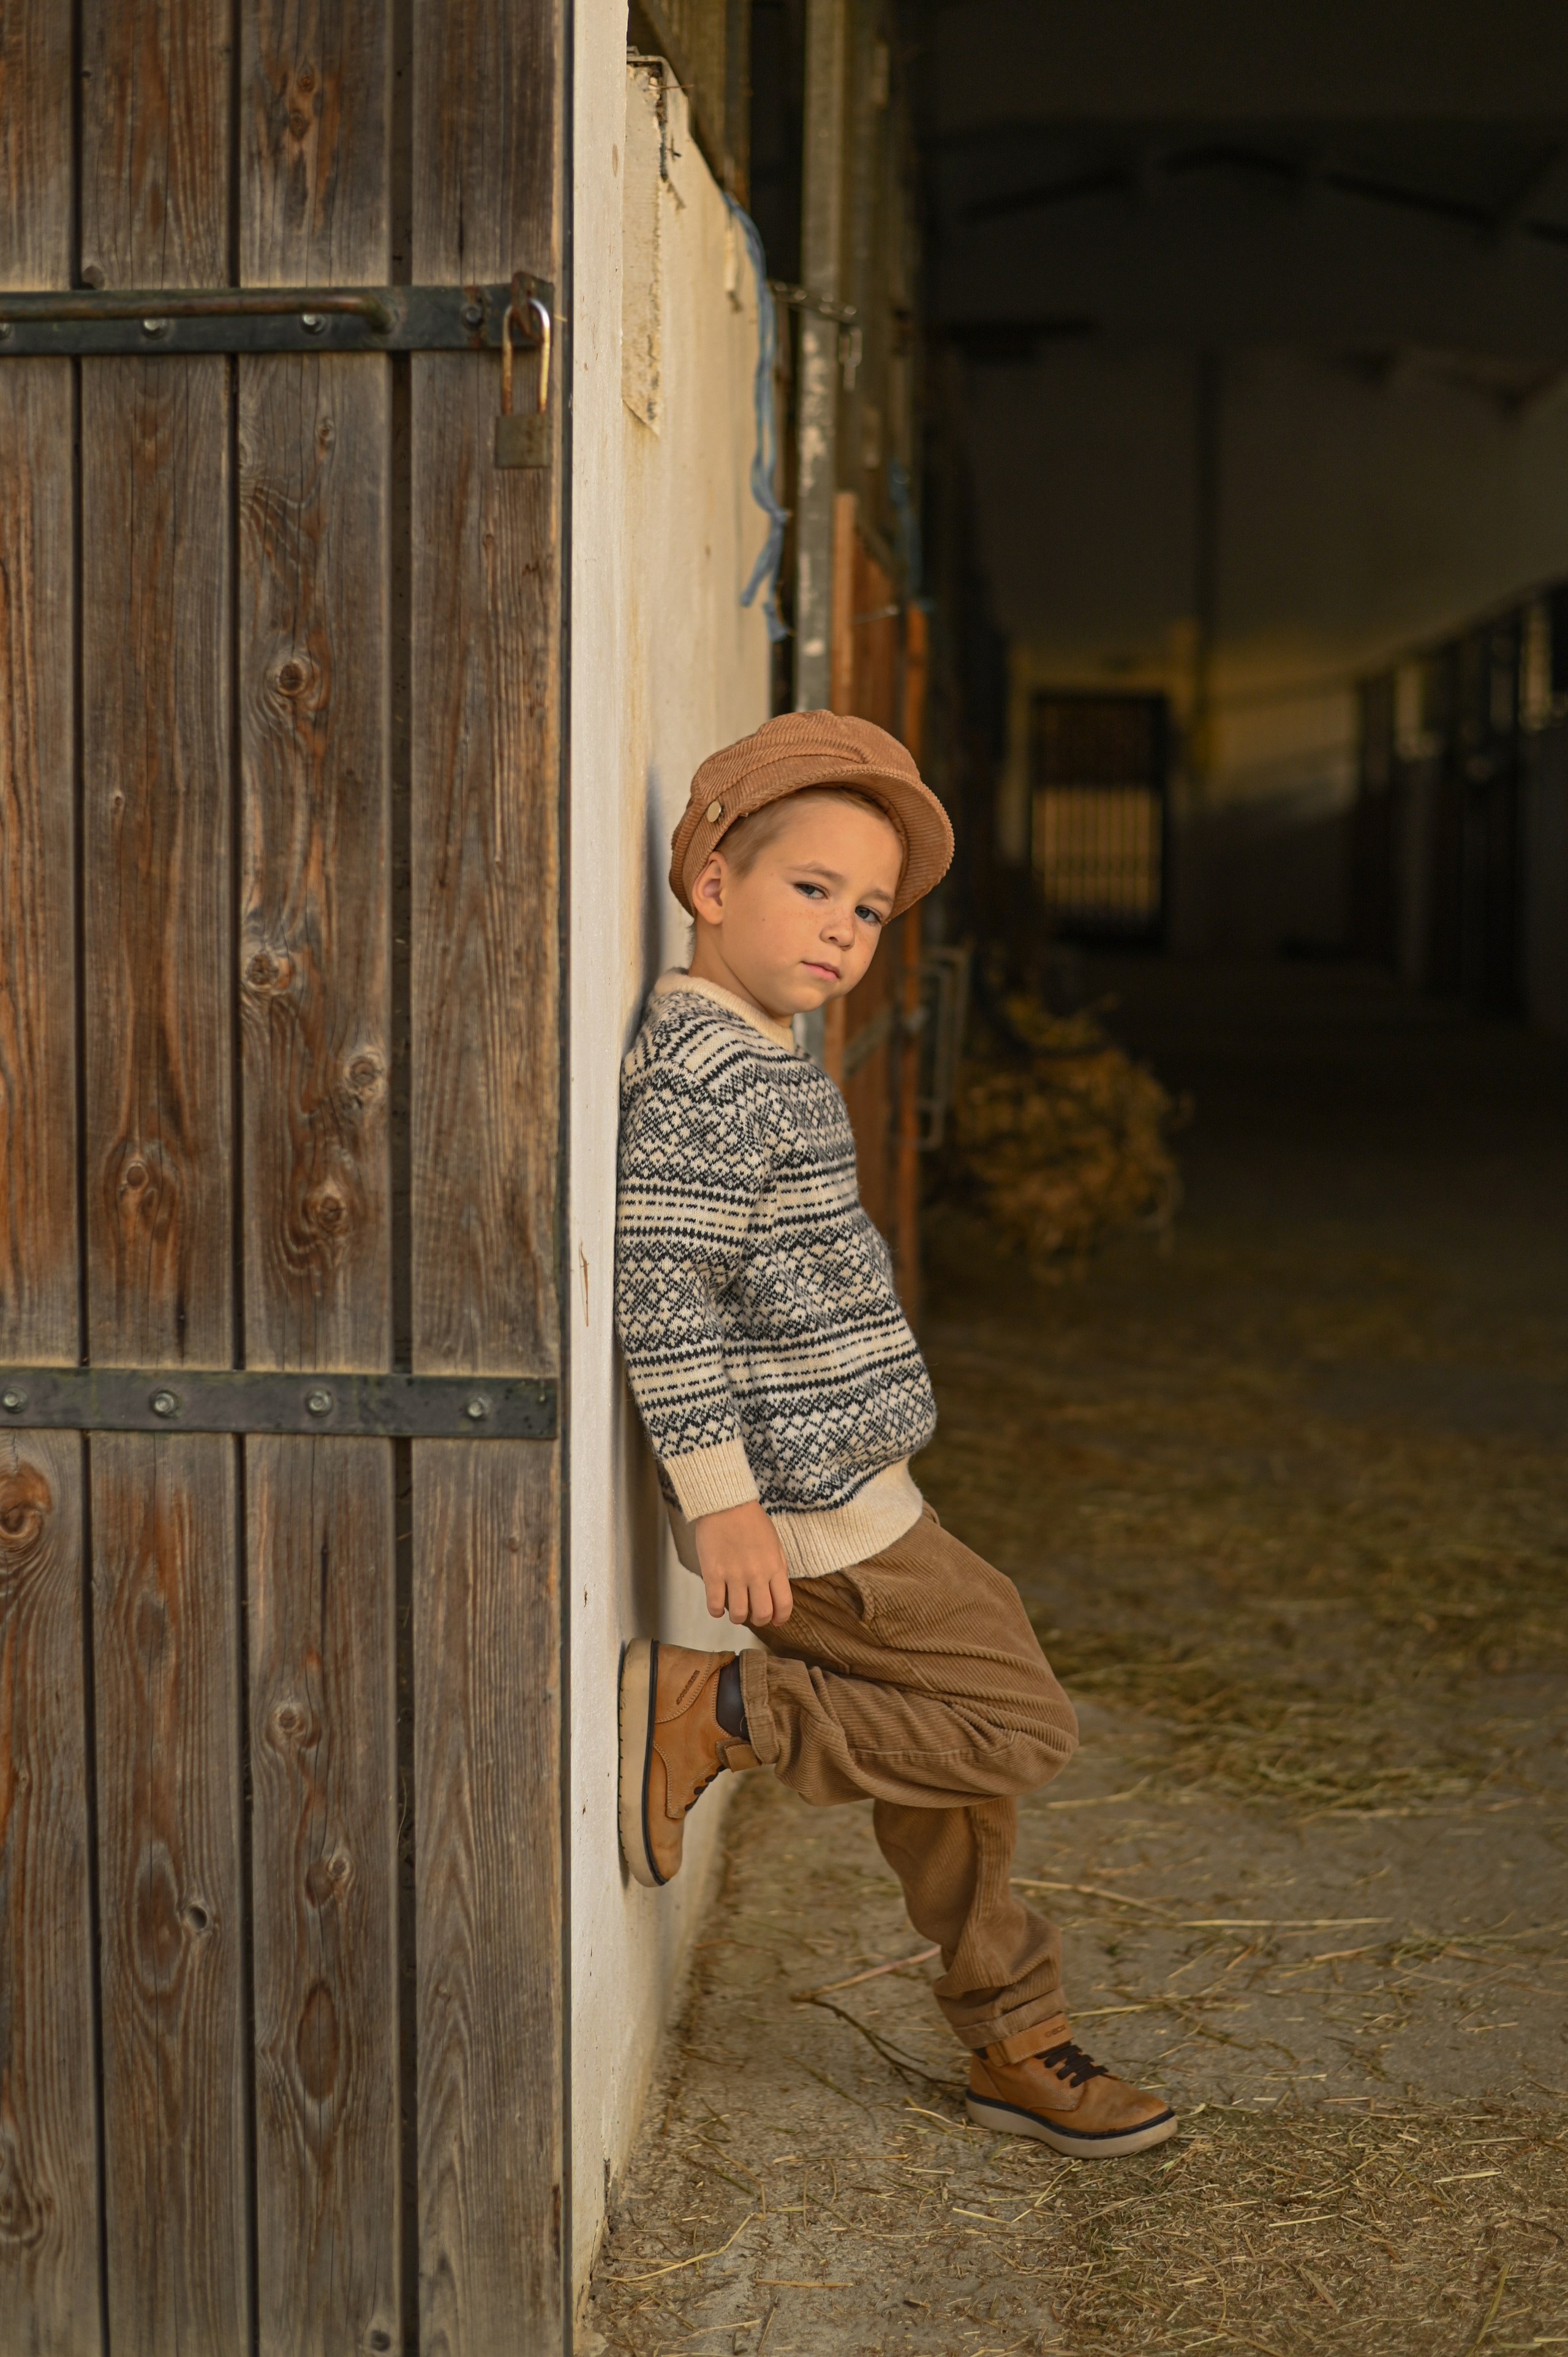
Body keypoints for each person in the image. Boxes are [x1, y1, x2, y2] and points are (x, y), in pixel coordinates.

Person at [614, 709, 1177, 2159]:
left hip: (850, 1491)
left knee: (958, 1752)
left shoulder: (757, 1052)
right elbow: (663, 1291)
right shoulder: (703, 1076)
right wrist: (723, 1500)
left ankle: (1012, 2039)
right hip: (812, 1516)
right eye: (812, 888)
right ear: (712, 882)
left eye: (866, 910)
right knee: (1016, 1725)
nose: (843, 930)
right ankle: (717, 1713)